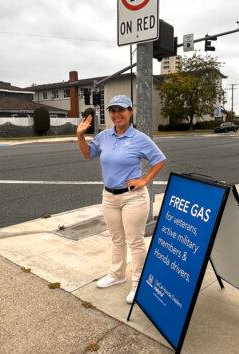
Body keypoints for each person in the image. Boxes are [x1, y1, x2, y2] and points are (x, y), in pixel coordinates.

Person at [76, 95, 166, 304]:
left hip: (133, 198)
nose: (117, 114)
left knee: (134, 241)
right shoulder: (105, 136)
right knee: (116, 239)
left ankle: (138, 283)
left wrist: (145, 179)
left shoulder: (139, 138)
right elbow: (88, 154)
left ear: (130, 111)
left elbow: (159, 160)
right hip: (109, 196)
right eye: (113, 110)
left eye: (121, 110)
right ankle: (117, 275)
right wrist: (80, 135)